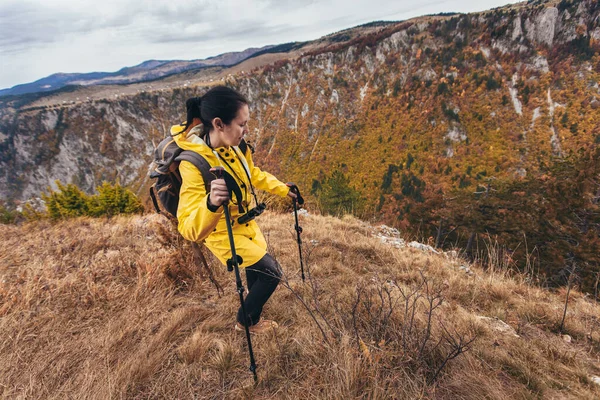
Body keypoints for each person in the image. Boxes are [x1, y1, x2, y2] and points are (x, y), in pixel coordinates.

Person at [172, 86, 296, 334]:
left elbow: (254, 174)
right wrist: (211, 204)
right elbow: (188, 228)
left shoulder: (237, 149)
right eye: (241, 124)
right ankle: (246, 321)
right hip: (222, 233)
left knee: (257, 269)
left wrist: (283, 189)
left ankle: (253, 310)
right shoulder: (193, 164)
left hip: (247, 225)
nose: (246, 130)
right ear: (219, 124)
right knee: (272, 273)